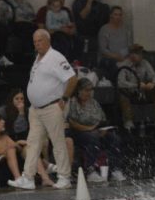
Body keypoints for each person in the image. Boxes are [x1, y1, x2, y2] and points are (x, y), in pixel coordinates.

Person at [9, 30, 76, 190]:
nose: (37, 44)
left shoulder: (56, 57)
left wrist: (64, 99)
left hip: (52, 107)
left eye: (40, 41)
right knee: (32, 143)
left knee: (58, 142)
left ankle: (64, 177)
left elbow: (72, 78)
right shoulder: (38, 59)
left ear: (48, 40)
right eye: (35, 41)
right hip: (36, 109)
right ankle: (28, 177)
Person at [67, 78, 125, 183]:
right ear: (79, 90)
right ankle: (90, 170)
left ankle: (115, 169)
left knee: (114, 138)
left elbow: (102, 119)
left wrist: (103, 129)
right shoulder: (73, 102)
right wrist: (89, 129)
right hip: (79, 132)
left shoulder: (94, 103)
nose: (89, 93)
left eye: (90, 90)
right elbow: (72, 122)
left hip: (96, 130)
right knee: (92, 137)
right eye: (86, 90)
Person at [116, 44, 155, 130]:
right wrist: (136, 85)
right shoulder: (123, 65)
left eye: (141, 54)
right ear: (132, 55)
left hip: (143, 92)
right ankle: (128, 120)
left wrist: (152, 84)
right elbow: (120, 83)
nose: (141, 56)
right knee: (122, 93)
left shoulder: (145, 63)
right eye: (139, 54)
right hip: (130, 92)